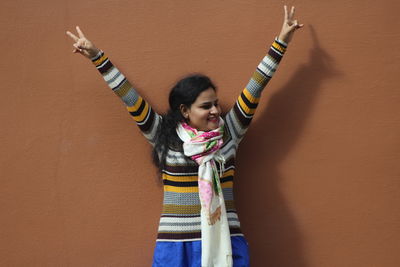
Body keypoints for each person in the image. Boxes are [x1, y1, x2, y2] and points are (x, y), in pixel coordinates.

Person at [66, 5, 302, 267]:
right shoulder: (162, 136)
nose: (215, 110)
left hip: (225, 240)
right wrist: (97, 57)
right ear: (184, 110)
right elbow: (128, 96)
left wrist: (281, 42)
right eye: (205, 106)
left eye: (215, 103)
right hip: (176, 247)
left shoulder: (229, 132)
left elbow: (255, 88)